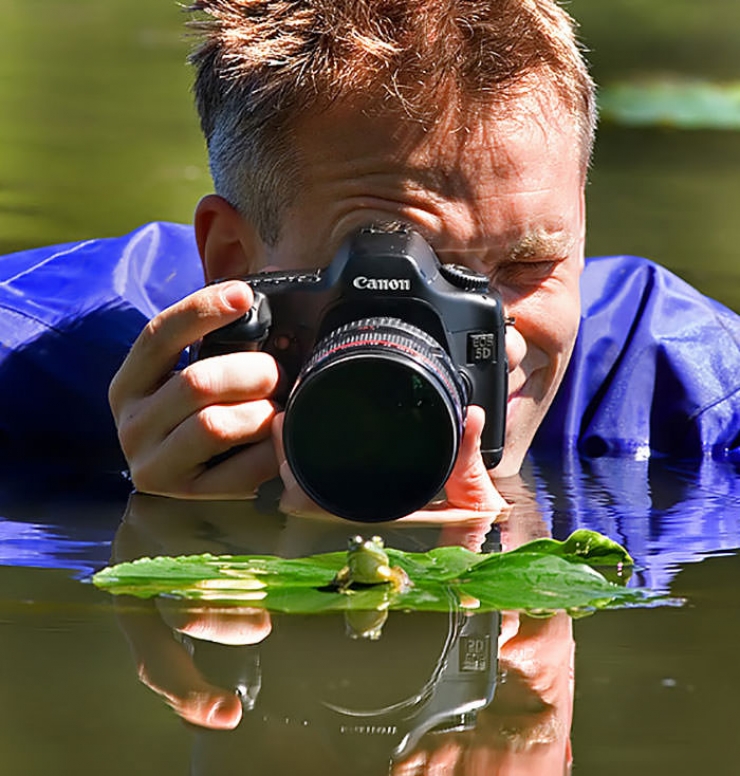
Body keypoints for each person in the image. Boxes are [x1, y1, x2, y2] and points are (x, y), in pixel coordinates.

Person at [0, 0, 738, 524]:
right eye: (403, 270)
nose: (499, 335)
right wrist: (169, 528)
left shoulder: (694, 404)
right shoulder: (27, 371)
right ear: (234, 261)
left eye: (531, 263)